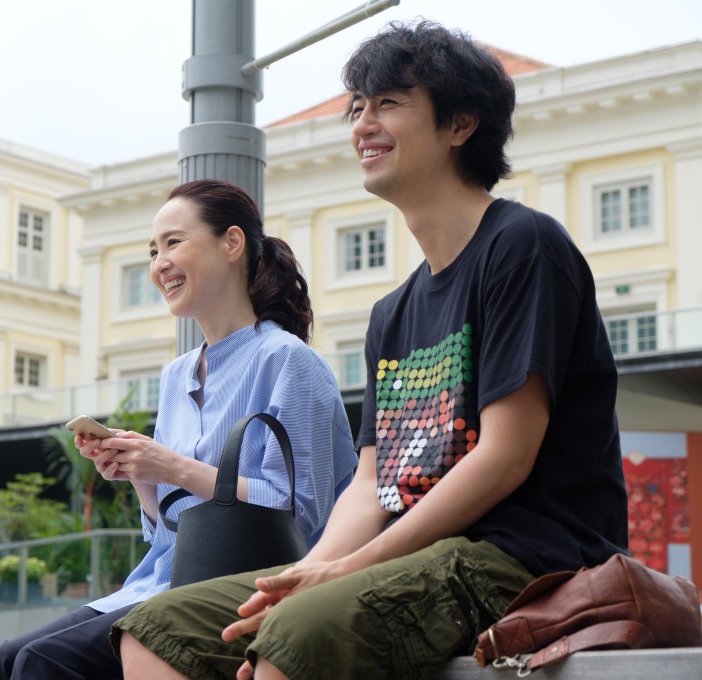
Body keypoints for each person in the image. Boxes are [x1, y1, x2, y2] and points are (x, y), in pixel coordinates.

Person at [113, 20, 629, 680]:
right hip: (411, 556)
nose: (362, 124)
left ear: (460, 124)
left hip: (525, 559)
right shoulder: (392, 314)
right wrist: (305, 571)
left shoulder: (523, 246)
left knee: (296, 632)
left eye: (387, 103)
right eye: (356, 108)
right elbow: (369, 483)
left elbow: (505, 455)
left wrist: (344, 572)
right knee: (157, 627)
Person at [0, 179, 359, 679]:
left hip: (242, 586)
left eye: (174, 243)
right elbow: (168, 529)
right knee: (4, 659)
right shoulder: (176, 375)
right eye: (153, 250)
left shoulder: (288, 360)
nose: (159, 263)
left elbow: (302, 508)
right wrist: (139, 472)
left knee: (43, 662)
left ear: (232, 243)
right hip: (162, 581)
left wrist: (174, 466)